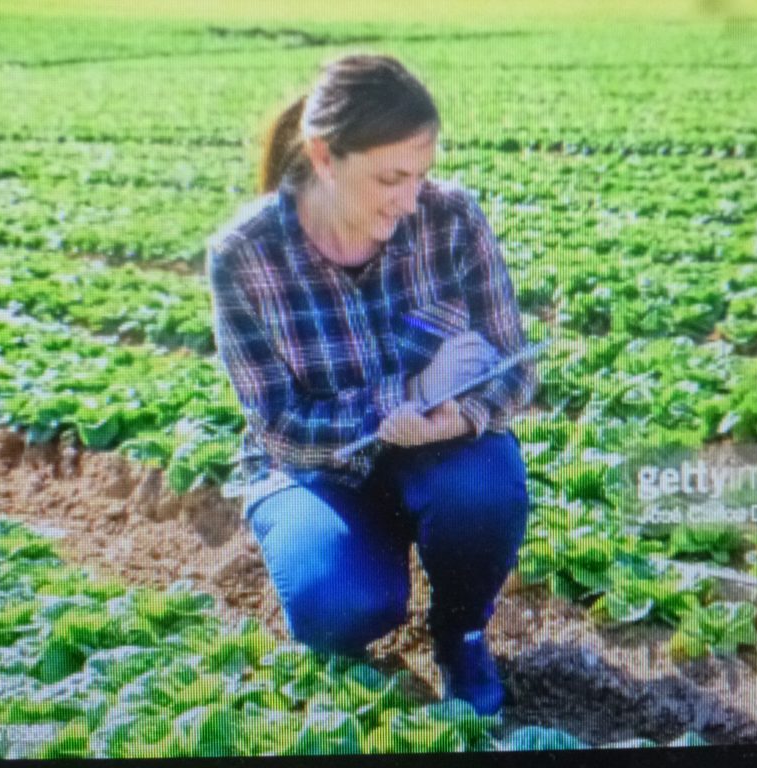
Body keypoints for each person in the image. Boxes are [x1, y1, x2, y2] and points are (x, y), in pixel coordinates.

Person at [206, 53, 537, 718]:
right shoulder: (244, 256)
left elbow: (516, 364)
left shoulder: (451, 219)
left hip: (434, 452)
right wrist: (403, 395)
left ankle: (460, 636)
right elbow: (280, 424)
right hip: (314, 471)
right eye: (391, 177)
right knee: (339, 604)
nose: (410, 199)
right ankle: (355, 607)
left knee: (483, 485)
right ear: (325, 157)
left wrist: (459, 417)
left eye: (420, 175)